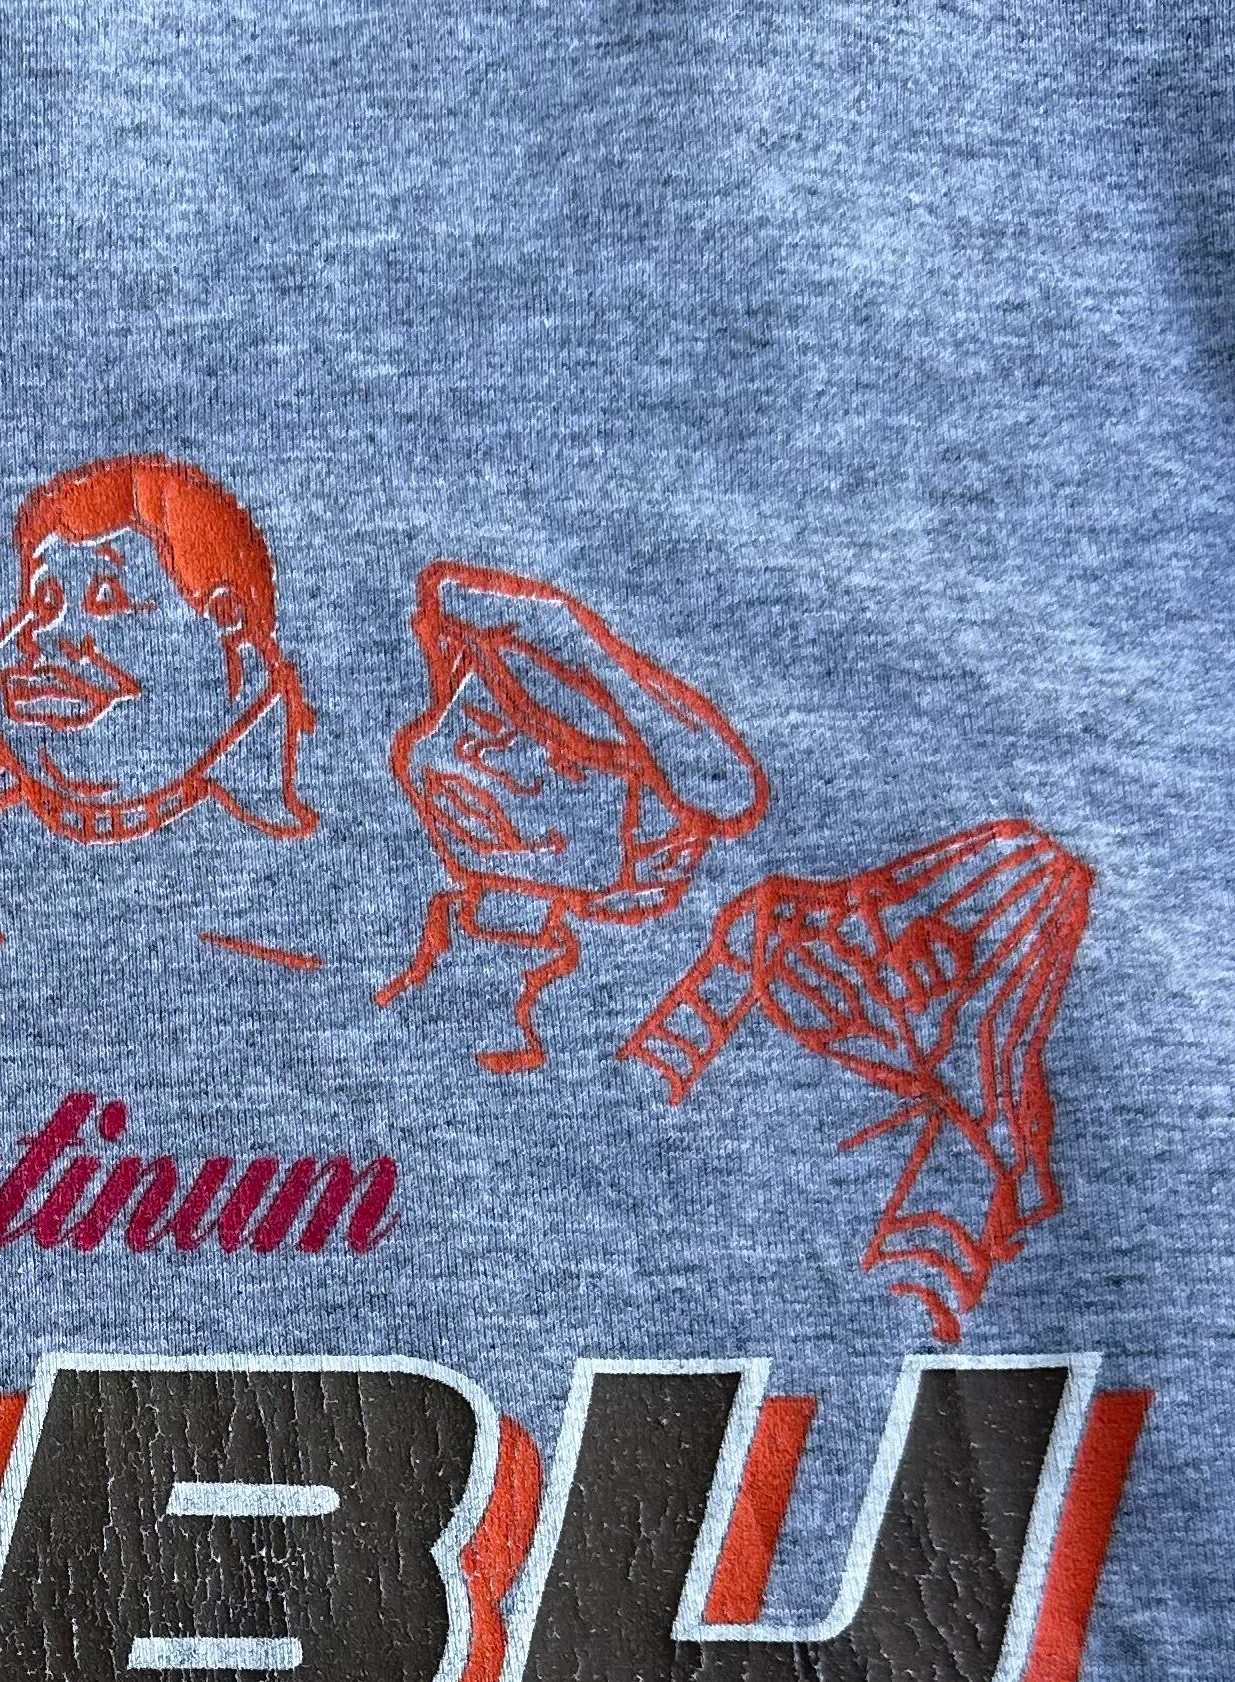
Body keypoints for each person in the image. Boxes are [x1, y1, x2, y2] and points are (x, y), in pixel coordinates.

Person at [621, 818, 1094, 1340]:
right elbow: (640, 1089)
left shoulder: (965, 1151)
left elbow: (911, 1303)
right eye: (921, 935)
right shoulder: (781, 949)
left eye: (955, 968)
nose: (920, 974)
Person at [0, 454, 319, 967]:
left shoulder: (278, 910)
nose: (49, 636)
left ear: (231, 635)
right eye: (45, 602)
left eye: (107, 597)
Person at [374, 562, 770, 1069]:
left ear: (648, 839)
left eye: (561, 761)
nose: (476, 763)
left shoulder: (652, 1028)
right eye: (469, 720)